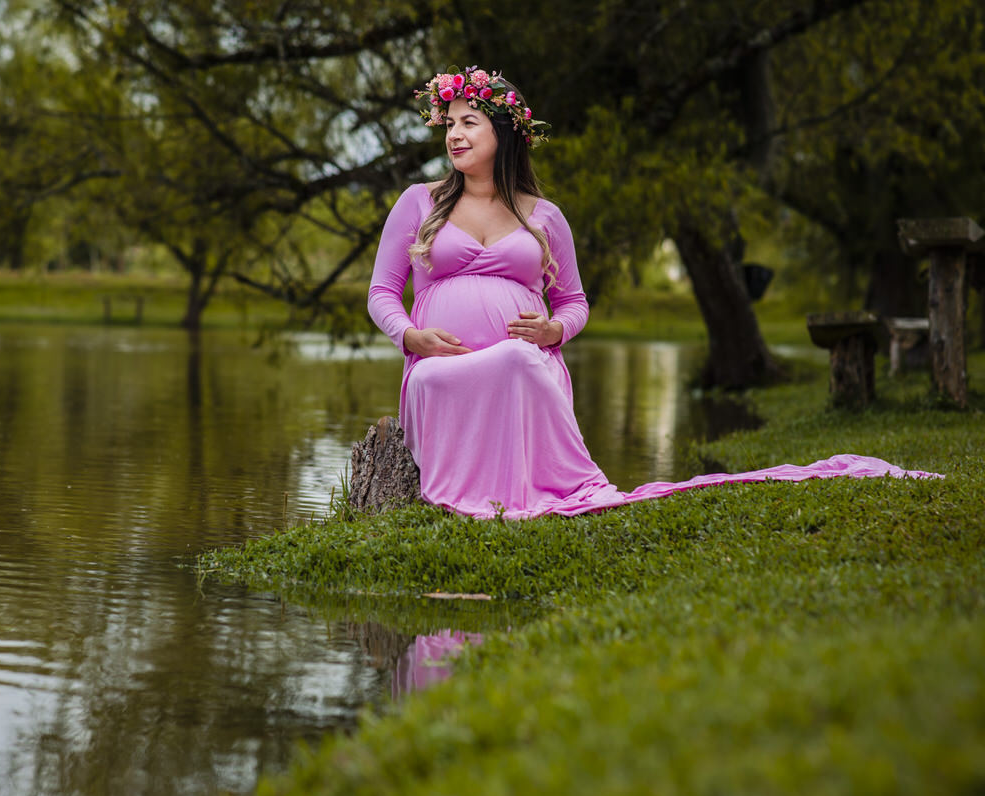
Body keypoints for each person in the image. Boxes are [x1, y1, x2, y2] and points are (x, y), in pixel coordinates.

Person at [368, 66, 939, 519]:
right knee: (510, 361)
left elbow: (575, 303)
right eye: (450, 123)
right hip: (441, 373)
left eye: (471, 122)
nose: (456, 134)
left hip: (523, 372)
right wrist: (413, 336)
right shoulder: (420, 201)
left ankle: (531, 487)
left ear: (506, 133)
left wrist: (554, 331)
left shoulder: (545, 216)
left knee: (520, 359)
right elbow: (382, 293)